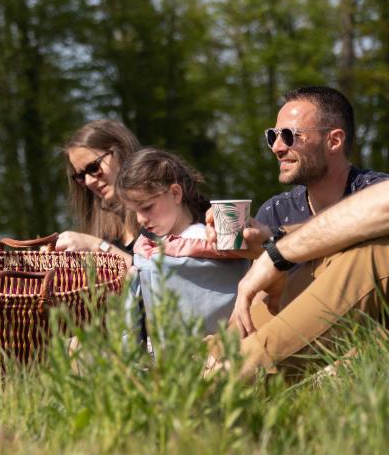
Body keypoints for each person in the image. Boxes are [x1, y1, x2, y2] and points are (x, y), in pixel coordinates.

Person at [204, 86, 389, 376]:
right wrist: (266, 246)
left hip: (357, 335)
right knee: (221, 344)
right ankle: (207, 364)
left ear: (334, 140)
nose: (277, 147)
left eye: (290, 135)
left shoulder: (372, 190)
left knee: (369, 249)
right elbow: (276, 308)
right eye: (272, 136)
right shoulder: (275, 211)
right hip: (296, 335)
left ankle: (227, 377)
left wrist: (278, 248)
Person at [117, 149, 248, 333]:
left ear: (176, 194)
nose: (140, 219)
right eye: (134, 211)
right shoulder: (151, 247)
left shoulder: (205, 237)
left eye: (147, 207)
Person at [57, 119, 142, 264]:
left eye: (93, 168)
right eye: (81, 176)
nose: (89, 182)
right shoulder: (105, 232)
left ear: (122, 152)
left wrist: (96, 246)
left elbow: (156, 278)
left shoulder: (162, 215)